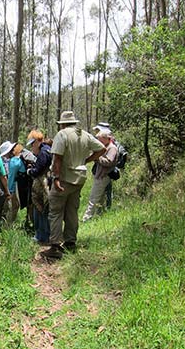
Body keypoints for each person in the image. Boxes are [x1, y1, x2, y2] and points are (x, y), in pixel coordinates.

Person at [40, 111, 106, 259]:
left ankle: (55, 246)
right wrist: (86, 160)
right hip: (79, 179)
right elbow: (102, 149)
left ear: (62, 123)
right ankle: (70, 243)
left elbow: (57, 157)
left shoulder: (62, 135)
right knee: (72, 211)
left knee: (56, 212)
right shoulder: (84, 134)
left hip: (63, 178)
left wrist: (55, 178)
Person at [82, 131, 118, 221]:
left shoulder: (112, 148)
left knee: (93, 197)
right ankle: (99, 216)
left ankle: (86, 218)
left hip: (103, 176)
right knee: (100, 198)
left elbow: (109, 162)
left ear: (106, 138)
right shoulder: (106, 147)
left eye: (100, 139)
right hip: (100, 175)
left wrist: (97, 157)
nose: (99, 141)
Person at [26, 130, 52, 245]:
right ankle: (43, 236)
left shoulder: (43, 152)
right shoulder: (47, 150)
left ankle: (42, 236)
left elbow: (38, 171)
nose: (32, 146)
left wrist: (29, 171)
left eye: (32, 143)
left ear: (37, 141)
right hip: (45, 185)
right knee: (42, 210)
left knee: (42, 210)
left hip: (43, 186)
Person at [0, 141, 26, 223]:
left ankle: (6, 223)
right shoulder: (14, 160)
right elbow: (10, 177)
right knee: (13, 206)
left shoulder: (8, 161)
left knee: (11, 206)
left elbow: (9, 176)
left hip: (5, 187)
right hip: (10, 188)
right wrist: (9, 191)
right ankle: (8, 225)